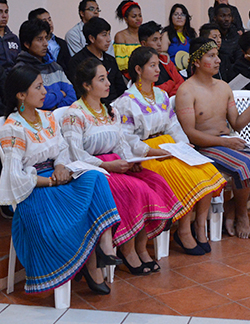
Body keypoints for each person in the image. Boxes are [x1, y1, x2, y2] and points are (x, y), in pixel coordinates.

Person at [0, 65, 121, 295]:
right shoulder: (12, 129)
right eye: (38, 87)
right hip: (35, 189)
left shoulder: (47, 118)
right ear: (21, 95)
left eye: (43, 85)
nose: (45, 91)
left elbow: (62, 150)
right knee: (80, 209)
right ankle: (92, 265)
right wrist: (51, 181)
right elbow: (15, 177)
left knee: (96, 176)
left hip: (57, 174)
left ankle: (105, 246)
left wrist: (61, 166)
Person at [61, 59, 182, 274]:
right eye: (101, 79)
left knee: (154, 181)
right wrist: (108, 164)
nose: (108, 83)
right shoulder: (75, 114)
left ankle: (142, 248)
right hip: (94, 170)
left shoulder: (110, 111)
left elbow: (121, 143)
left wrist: (130, 162)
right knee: (136, 190)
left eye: (107, 78)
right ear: (87, 85)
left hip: (117, 163)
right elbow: (74, 154)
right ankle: (128, 251)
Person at [113, 46, 227, 255]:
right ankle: (183, 232)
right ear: (138, 69)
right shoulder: (125, 102)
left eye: (158, 65)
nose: (158, 70)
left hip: (168, 147)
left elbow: (173, 125)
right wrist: (156, 152)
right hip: (148, 153)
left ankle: (199, 227)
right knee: (189, 177)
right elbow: (127, 138)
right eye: (153, 66)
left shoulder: (161, 94)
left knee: (208, 171)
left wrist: (183, 146)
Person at [176, 38, 250, 239]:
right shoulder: (186, 90)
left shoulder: (224, 87)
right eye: (211, 56)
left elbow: (238, 123)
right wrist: (224, 142)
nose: (217, 61)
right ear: (196, 61)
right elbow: (190, 133)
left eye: (217, 56)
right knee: (246, 165)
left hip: (227, 141)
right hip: (204, 147)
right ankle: (242, 214)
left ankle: (232, 206)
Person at [13, 19, 76, 110]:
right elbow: (41, 102)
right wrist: (60, 94)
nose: (45, 44)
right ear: (27, 44)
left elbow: (72, 96)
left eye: (46, 38)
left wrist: (56, 109)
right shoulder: (21, 70)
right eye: (40, 39)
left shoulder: (55, 67)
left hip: (60, 118)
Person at [66, 17, 128, 104]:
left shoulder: (110, 60)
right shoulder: (78, 61)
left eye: (109, 34)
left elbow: (121, 89)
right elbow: (79, 92)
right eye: (104, 35)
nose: (109, 39)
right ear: (91, 38)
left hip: (116, 105)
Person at [139, 21, 183, 96]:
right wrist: (170, 84)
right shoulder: (140, 64)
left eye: (160, 39)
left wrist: (171, 97)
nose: (159, 43)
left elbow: (180, 83)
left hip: (174, 100)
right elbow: (149, 91)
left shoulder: (165, 59)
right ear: (143, 44)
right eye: (155, 40)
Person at [28, 7, 71, 72]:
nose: (49, 23)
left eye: (49, 19)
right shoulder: (34, 44)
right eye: (44, 21)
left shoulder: (62, 43)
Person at [113, 0, 142, 77]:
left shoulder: (144, 34)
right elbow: (121, 65)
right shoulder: (120, 36)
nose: (138, 19)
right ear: (126, 19)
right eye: (134, 16)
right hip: (127, 76)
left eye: (140, 15)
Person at [165, 3, 196, 70]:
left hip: (189, 70)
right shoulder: (167, 34)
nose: (179, 17)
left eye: (182, 15)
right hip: (172, 71)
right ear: (171, 17)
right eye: (176, 14)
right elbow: (163, 55)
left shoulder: (191, 33)